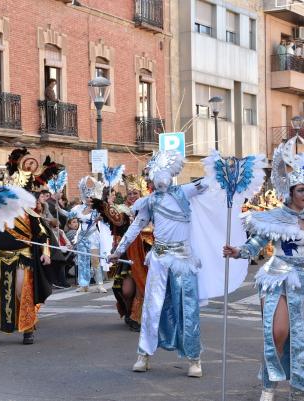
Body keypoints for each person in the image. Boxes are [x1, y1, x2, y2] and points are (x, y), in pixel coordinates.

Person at [108, 150, 207, 378]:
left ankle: (194, 358)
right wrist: (118, 250)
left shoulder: (184, 192)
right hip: (160, 259)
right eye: (155, 177)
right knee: (152, 307)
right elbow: (135, 227)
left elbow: (206, 185)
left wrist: (219, 172)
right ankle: (144, 354)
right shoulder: (150, 202)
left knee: (187, 309)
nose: (159, 181)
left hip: (183, 260)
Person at [223, 139, 304, 401]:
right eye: (303, 190)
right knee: (277, 332)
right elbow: (257, 242)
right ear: (291, 191)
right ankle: (269, 385)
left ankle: (298, 389)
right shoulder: (274, 217)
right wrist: (239, 252)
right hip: (280, 276)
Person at [0, 148, 57, 345]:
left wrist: (45, 252)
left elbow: (42, 234)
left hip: (22, 255)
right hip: (0, 256)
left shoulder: (29, 212)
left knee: (21, 293)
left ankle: (28, 329)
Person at [106, 175, 150, 332]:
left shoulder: (149, 209)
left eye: (135, 194)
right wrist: (106, 206)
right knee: (126, 290)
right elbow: (117, 221)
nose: (132, 197)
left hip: (146, 254)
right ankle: (129, 311)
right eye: (129, 194)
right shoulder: (124, 211)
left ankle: (137, 317)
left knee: (142, 287)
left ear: (141, 194)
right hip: (128, 255)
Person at [58, 176, 108, 293]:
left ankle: (99, 284)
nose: (89, 199)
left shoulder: (98, 209)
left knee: (95, 260)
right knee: (82, 260)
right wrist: (57, 207)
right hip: (81, 236)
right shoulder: (78, 208)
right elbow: (68, 214)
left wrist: (101, 217)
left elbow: (106, 219)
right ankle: (84, 284)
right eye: (87, 197)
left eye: (91, 197)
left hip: (93, 236)